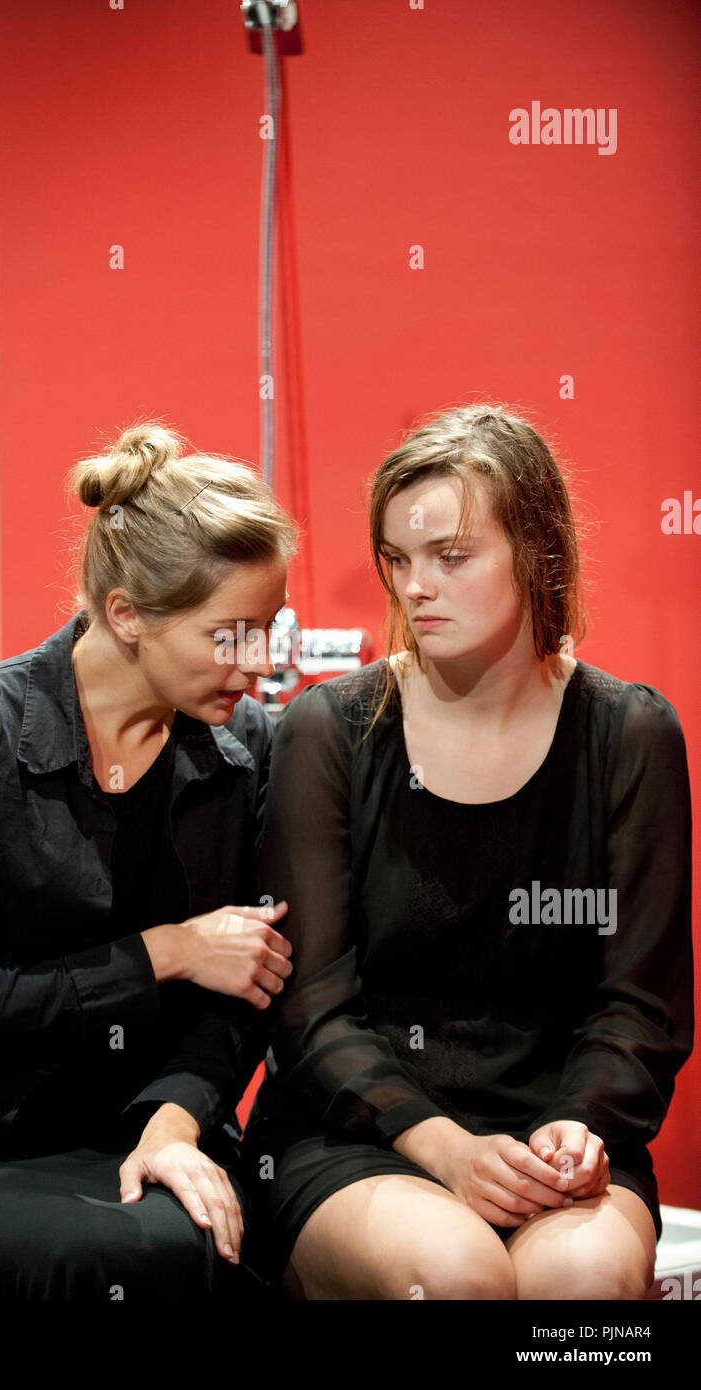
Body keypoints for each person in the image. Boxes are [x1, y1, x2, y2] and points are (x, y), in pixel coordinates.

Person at [0, 421, 298, 1300]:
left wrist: (172, 1124)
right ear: (124, 613)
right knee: (119, 1260)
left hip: (150, 1124)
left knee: (228, 1251)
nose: (261, 663)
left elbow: (247, 993)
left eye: (267, 630)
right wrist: (164, 951)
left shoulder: (244, 750)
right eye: (230, 635)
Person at [242, 404, 693, 1300]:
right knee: (457, 1276)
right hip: (363, 1133)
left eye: (450, 557)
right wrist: (439, 1145)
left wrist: (573, 1129)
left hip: (555, 1131)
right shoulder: (325, 731)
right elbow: (311, 1014)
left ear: (538, 553)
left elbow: (641, 1006)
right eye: (397, 559)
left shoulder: (629, 732)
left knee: (584, 1282)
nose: (414, 587)